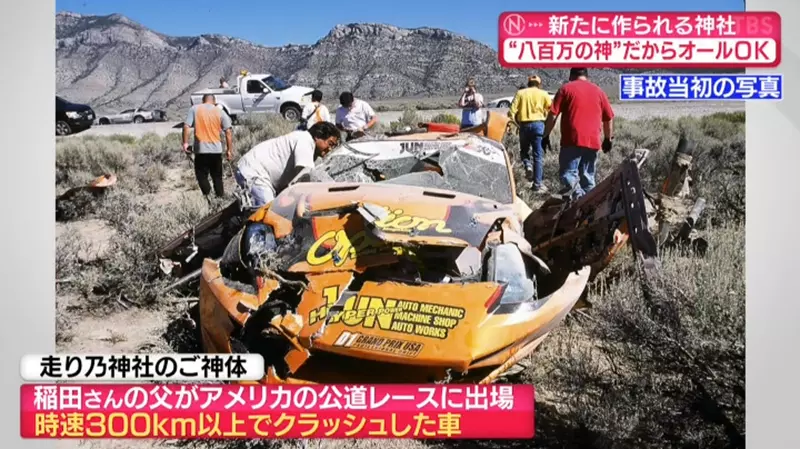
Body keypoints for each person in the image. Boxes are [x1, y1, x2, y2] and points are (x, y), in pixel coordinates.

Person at [542, 68, 615, 199]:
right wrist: (608, 139)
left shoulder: (566, 89)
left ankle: (579, 202)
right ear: (586, 76)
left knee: (568, 174)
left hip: (572, 140)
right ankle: (589, 208)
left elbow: (553, 115)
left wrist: (546, 135)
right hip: (593, 141)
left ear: (571, 75)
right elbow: (608, 117)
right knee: (588, 177)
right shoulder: (598, 91)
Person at [234, 121, 341, 207]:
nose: (330, 149)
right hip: (254, 172)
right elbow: (304, 177)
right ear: (317, 136)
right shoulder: (306, 141)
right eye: (330, 143)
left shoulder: (306, 143)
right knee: (268, 213)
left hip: (254, 171)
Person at [182, 94, 233, 199]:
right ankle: (220, 199)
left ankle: (208, 196)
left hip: (201, 150)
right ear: (214, 101)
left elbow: (186, 126)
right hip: (216, 150)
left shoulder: (195, 109)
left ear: (203, 101)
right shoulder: (219, 111)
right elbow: (228, 132)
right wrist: (229, 150)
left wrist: (185, 143)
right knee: (217, 177)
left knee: (201, 176)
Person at [508, 75, 552, 193]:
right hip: (539, 125)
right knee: (538, 155)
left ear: (528, 83)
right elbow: (552, 112)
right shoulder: (544, 94)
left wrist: (515, 126)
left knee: (524, 151)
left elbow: (511, 112)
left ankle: (527, 165)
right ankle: (537, 184)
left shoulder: (520, 93)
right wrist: (547, 128)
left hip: (524, 125)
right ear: (539, 84)